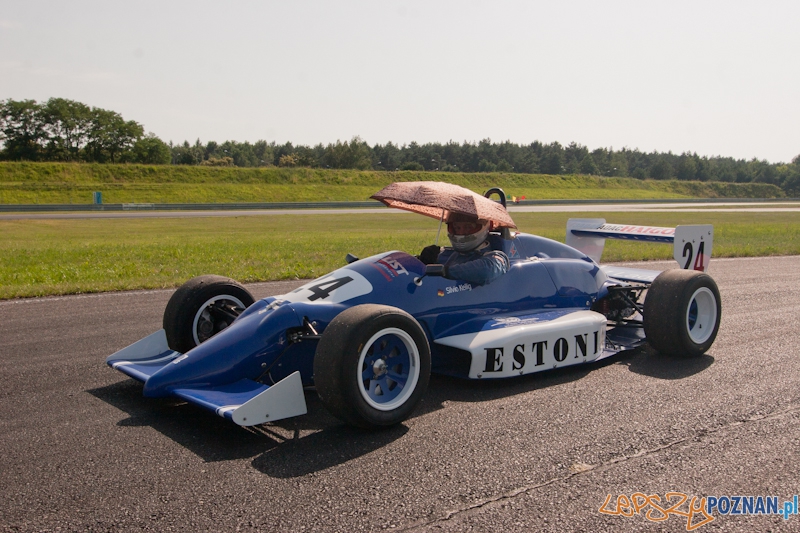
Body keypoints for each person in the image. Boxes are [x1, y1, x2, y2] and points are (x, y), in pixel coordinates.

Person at [418, 213, 510, 286]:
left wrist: (446, 271)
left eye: (468, 227)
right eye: (457, 228)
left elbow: (488, 270)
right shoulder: (448, 253)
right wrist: (422, 260)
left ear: (486, 226)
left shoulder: (494, 257)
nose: (461, 233)